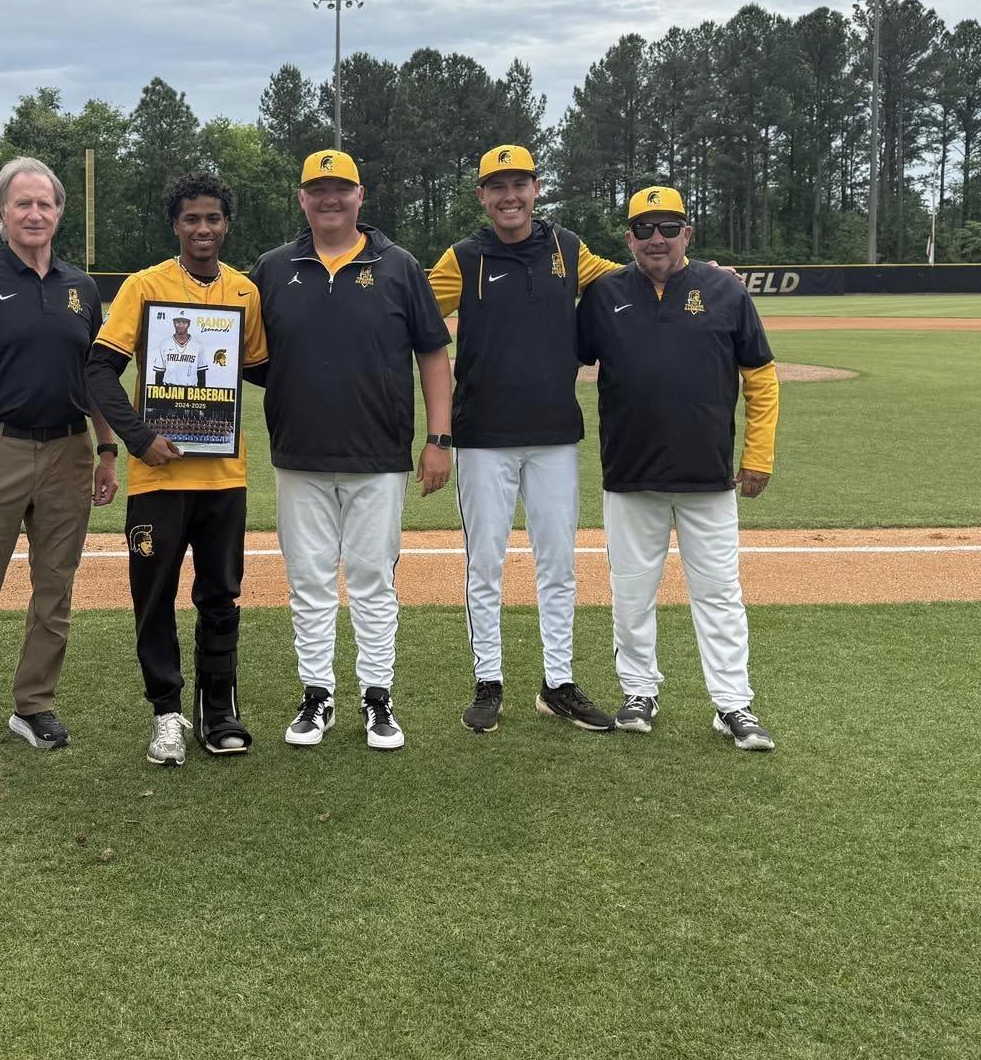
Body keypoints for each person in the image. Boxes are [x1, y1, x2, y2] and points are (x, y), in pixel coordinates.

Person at [249, 149, 453, 751]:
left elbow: (433, 355)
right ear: (302, 197)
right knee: (308, 580)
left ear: (360, 194)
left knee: (371, 579)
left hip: (378, 455)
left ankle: (376, 696)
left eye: (340, 188)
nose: (329, 199)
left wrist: (438, 439)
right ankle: (317, 695)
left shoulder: (398, 265)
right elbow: (247, 352)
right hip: (299, 454)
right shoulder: (273, 267)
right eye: (318, 189)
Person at [576, 185, 781, 752]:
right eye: (644, 229)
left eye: (668, 227)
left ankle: (733, 703)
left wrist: (757, 456)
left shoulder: (724, 290)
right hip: (630, 474)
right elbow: (559, 357)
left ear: (688, 232)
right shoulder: (603, 295)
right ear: (629, 238)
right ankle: (639, 691)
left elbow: (760, 378)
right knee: (631, 592)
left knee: (718, 593)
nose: (656, 239)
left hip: (708, 477)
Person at [0, 157, 119, 772]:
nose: (35, 214)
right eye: (23, 204)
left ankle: (33, 703)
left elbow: (96, 376)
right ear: (2, 213)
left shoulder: (80, 286)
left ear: (60, 212)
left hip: (69, 451)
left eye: (46, 204)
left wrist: (108, 448)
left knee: (54, 591)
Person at [426, 144, 621, 735]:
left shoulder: (568, 249)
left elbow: (631, 276)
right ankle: (489, 680)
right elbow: (406, 307)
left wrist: (704, 272)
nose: (509, 196)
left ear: (537, 188)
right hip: (483, 435)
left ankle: (557, 683)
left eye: (520, 184)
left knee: (557, 563)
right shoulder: (463, 257)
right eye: (496, 187)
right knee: (485, 561)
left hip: (555, 435)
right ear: (482, 196)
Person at [86, 172, 269, 766]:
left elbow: (263, 370)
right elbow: (97, 371)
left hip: (224, 477)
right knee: (155, 596)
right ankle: (167, 714)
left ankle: (219, 712)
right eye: (191, 219)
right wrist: (139, 438)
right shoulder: (144, 288)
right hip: (159, 478)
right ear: (176, 225)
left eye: (213, 218)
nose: (203, 229)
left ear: (226, 224)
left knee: (221, 596)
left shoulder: (245, 291)